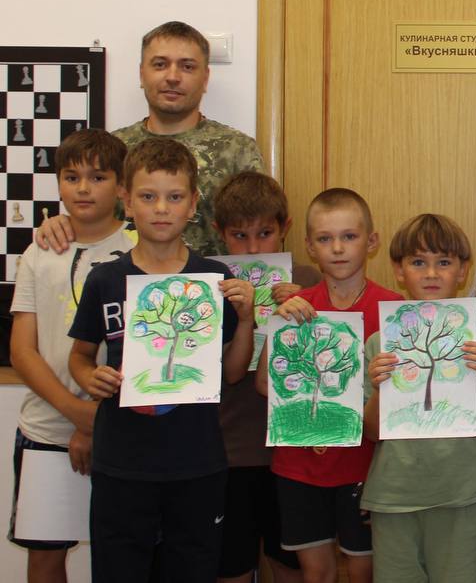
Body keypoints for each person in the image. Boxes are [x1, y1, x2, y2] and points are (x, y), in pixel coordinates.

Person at [66, 138, 257, 583]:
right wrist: (90, 377)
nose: (161, 209)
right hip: (121, 463)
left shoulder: (214, 278)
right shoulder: (105, 279)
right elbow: (79, 356)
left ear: (192, 203)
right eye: (148, 196)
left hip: (196, 462)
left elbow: (232, 373)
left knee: (193, 569)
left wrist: (247, 319)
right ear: (127, 200)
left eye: (174, 197)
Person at [8, 129, 135, 583]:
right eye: (71, 177)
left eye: (98, 177)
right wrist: (77, 415)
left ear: (121, 187)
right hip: (45, 429)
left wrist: (96, 420)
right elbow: (22, 351)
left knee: (127, 558)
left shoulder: (140, 250)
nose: (83, 188)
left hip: (124, 431)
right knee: (45, 559)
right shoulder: (39, 251)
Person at [259, 187, 403, 583]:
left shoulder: (392, 309)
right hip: (300, 466)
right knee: (316, 572)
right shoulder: (297, 307)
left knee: (364, 569)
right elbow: (264, 385)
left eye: (349, 236)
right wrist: (279, 324)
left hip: (367, 465)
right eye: (325, 239)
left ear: (371, 242)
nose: (337, 248)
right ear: (309, 246)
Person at [36, 20, 266, 257]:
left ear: (205, 78)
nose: (173, 77)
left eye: (187, 67)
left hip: (217, 280)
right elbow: (92, 217)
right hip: (120, 279)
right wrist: (64, 224)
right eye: (160, 65)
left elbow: (261, 232)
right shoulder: (112, 151)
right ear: (142, 74)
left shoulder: (237, 150)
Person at [363, 213, 476, 581]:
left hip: (461, 495)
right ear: (398, 271)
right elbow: (372, 432)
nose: (431, 273)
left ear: (463, 271)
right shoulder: (380, 344)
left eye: (443, 262)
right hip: (393, 496)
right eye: (417, 262)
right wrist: (379, 388)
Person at [211, 171, 321, 583]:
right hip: (230, 450)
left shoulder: (308, 281)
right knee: (232, 567)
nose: (254, 248)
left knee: (289, 565)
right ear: (219, 232)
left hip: (291, 452)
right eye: (239, 236)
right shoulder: (207, 283)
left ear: (285, 228)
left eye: (265, 233)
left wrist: (306, 304)